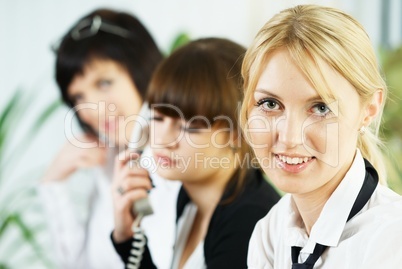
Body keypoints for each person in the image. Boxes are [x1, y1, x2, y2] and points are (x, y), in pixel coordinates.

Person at [239, 4, 402, 269]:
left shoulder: (392, 241)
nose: (290, 137)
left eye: (321, 108)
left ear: (369, 109)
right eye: (270, 104)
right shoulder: (270, 232)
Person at [110, 37, 281, 269]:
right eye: (158, 117)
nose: (162, 139)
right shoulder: (190, 197)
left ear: (238, 131)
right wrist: (127, 236)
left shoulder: (249, 222)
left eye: (188, 127)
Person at [39, 9, 180, 269]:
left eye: (104, 83)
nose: (91, 109)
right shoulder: (113, 158)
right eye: (78, 97)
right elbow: (83, 264)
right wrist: (53, 183)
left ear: (142, 70)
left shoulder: (181, 151)